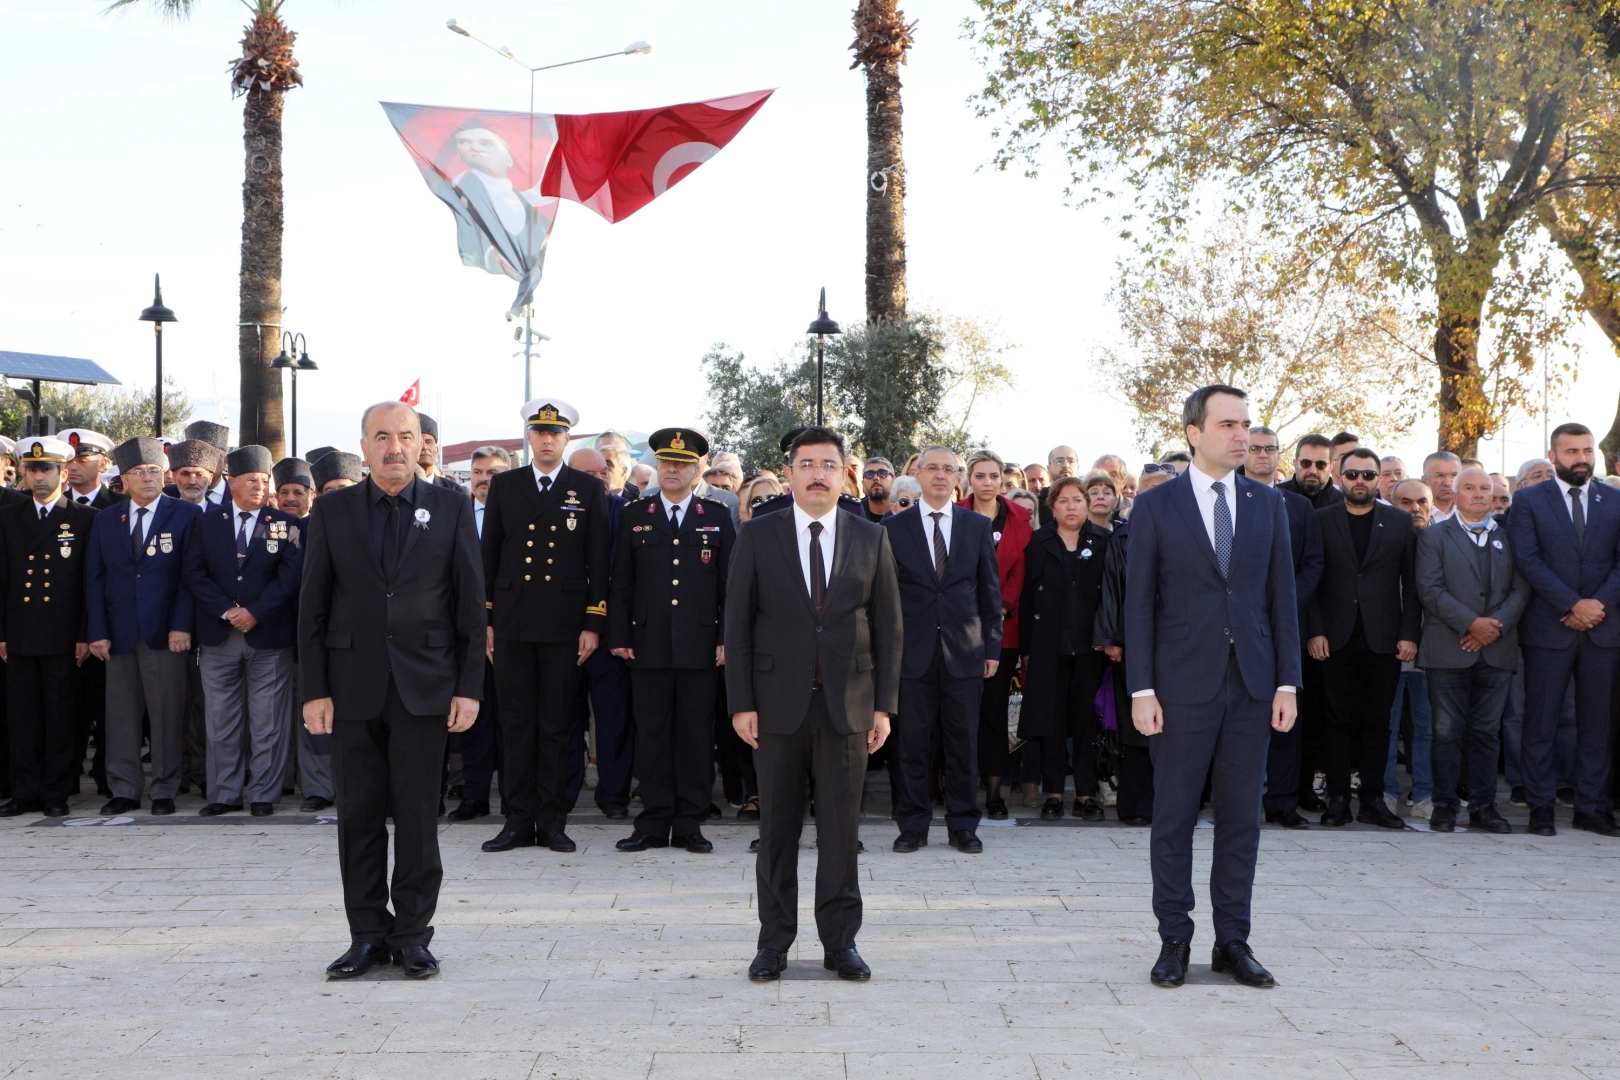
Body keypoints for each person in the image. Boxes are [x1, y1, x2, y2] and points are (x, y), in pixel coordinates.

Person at [300, 402, 484, 980]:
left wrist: (469, 688)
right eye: (382, 437)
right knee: (357, 818)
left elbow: (469, 608)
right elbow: (312, 606)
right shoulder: (331, 510)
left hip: (426, 688)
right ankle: (366, 935)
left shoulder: (451, 507)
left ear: (421, 442)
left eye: (405, 436)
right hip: (351, 688)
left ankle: (412, 936)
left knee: (417, 821)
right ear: (364, 446)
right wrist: (314, 691)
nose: (395, 447)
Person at [1125, 385, 1299, 990]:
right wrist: (1141, 689)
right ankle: (1174, 938)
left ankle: (1234, 941)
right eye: (1228, 424)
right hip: (1178, 688)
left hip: (1252, 686)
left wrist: (1286, 682)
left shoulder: (1266, 503)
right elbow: (1139, 605)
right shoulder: (1155, 507)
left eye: (1246, 424)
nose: (1241, 435)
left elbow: (1283, 600)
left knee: (1241, 821)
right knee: (1172, 818)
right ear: (1194, 432)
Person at [726, 426, 902, 982]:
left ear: (844, 472)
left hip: (848, 707)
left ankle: (840, 943)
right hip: (775, 708)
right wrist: (741, 703)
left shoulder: (870, 537)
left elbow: (890, 627)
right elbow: (738, 622)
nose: (817, 473)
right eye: (806, 464)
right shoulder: (758, 535)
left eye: (828, 463)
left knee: (840, 831)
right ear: (790, 473)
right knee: (776, 832)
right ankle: (773, 943)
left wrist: (884, 706)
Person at [480, 398, 610, 856]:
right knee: (515, 725)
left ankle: (553, 821)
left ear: (567, 438)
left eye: (555, 433)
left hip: (564, 625)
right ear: (529, 438)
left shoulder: (587, 490)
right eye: (539, 432)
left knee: (557, 727)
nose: (547, 439)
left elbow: (600, 563)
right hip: (513, 623)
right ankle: (517, 821)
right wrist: (489, 620)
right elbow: (489, 557)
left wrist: (593, 622)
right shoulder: (506, 486)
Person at [609, 427, 734, 853]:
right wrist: (620, 634)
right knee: (653, 735)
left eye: (681, 464)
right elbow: (620, 582)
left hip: (700, 647)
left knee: (696, 737)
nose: (672, 470)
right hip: (647, 645)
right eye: (665, 463)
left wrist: (725, 639)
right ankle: (652, 821)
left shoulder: (715, 517)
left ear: (698, 469)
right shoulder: (634, 515)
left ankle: (689, 823)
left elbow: (728, 588)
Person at [883, 445, 1001, 854]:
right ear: (917, 474)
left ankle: (964, 825)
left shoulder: (976, 527)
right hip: (910, 655)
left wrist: (992, 647)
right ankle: (912, 825)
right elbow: (885, 598)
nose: (938, 475)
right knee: (912, 744)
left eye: (946, 469)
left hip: (965, 653)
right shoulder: (893, 528)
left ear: (958, 478)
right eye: (930, 468)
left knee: (963, 744)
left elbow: (989, 593)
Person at [1505, 422, 1620, 837]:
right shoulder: (1530, 501)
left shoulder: (1615, 500)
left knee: (1598, 723)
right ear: (1553, 457)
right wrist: (1573, 604)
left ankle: (1591, 806)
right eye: (1572, 452)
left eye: (1587, 451)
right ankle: (1540, 805)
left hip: (1603, 630)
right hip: (1549, 628)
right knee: (1541, 721)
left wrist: (1596, 606)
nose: (1582, 459)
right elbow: (1528, 561)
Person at [183, 445, 304, 817]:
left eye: (264, 480)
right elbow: (194, 573)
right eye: (251, 479)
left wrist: (255, 612)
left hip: (267, 636)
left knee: (267, 722)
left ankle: (264, 795)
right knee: (221, 721)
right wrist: (227, 610)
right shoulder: (205, 521)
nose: (259, 486)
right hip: (219, 636)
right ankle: (224, 794)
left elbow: (290, 577)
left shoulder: (285, 523)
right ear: (231, 481)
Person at [86, 438, 203, 816]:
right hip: (118, 632)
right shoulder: (106, 519)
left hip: (166, 631)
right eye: (139, 472)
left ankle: (165, 788)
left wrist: (182, 625)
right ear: (124, 479)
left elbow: (191, 578)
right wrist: (96, 631)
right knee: (120, 715)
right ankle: (124, 788)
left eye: (154, 471)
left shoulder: (186, 515)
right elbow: (95, 579)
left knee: (167, 713)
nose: (148, 478)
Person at [1307, 447, 1419, 828]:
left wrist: (1409, 634)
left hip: (1384, 639)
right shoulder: (1319, 520)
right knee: (1335, 720)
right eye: (1352, 474)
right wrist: (1315, 629)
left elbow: (1413, 584)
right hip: (1333, 639)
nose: (1360, 481)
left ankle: (1372, 799)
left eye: (1368, 475)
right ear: (1339, 477)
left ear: (1378, 480)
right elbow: (1310, 581)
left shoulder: (1400, 523)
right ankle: (1338, 798)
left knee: (1378, 722)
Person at [1414, 467, 1529, 834]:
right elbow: (1429, 589)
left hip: (1497, 648)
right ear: (1456, 493)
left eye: (1485, 488)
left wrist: (1492, 628)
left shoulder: (1512, 538)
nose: (1478, 493)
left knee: (1486, 731)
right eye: (1469, 487)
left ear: (1494, 495)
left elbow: (1521, 589)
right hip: (1448, 647)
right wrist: (1471, 624)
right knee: (1445, 732)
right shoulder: (1433, 537)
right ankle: (1444, 805)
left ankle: (1484, 807)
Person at [0, 437, 96, 818]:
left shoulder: (84, 518)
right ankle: (24, 791)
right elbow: (3, 580)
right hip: (21, 631)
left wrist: (85, 634)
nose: (38, 477)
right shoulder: (8, 516)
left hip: (63, 632)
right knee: (22, 716)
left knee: (60, 715)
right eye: (32, 470)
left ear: (63, 472)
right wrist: (2, 633)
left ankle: (56, 792)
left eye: (46, 470)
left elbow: (90, 583)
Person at [1019, 473, 1114, 821]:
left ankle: (1087, 795)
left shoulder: (1105, 542)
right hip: (1048, 650)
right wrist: (1027, 648)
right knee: (1052, 724)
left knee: (1088, 724)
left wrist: (1112, 642)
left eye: (1077, 500)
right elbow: (1028, 600)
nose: (1071, 506)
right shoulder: (1038, 543)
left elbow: (1113, 598)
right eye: (1063, 501)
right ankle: (1055, 793)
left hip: (1093, 651)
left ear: (1088, 506)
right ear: (1052, 508)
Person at [558, 446, 633, 821]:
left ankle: (614, 795)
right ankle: (564, 795)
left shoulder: (624, 513)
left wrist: (612, 631)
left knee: (613, 719)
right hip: (563, 634)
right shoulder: (558, 510)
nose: (599, 479)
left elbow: (624, 578)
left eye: (603, 472)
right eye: (589, 474)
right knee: (564, 721)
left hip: (609, 636)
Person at [1256, 433, 1324, 830]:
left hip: (1285, 630)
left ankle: (1281, 802)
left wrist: (1282, 606)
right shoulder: (1219, 501)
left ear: (1279, 457)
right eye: (1254, 447)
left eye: (1269, 449)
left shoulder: (1298, 507)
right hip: (1234, 629)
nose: (1262, 455)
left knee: (1285, 719)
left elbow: (1313, 563)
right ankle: (1234, 800)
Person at [961, 449, 1033, 819]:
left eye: (994, 477)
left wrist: (1000, 606)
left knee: (993, 713)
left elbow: (1021, 570)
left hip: (1002, 631)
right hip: (956, 631)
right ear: (969, 479)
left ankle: (994, 794)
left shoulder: (1019, 518)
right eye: (980, 476)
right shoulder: (955, 514)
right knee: (958, 713)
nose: (988, 483)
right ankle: (954, 789)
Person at [448, 446, 512, 821]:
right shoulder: (456, 513)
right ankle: (474, 797)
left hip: (511, 632)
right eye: (478, 472)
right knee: (471, 717)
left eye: (494, 472)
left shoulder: (519, 514)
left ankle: (511, 798)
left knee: (509, 720)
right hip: (465, 634)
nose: (485, 479)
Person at [1384, 478, 1435, 820]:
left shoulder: (1442, 541)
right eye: (1406, 502)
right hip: (1389, 649)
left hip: (1433, 654)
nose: (1415, 508)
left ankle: (1424, 795)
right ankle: (1386, 791)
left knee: (1426, 727)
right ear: (1393, 504)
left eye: (1422, 502)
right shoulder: (1384, 540)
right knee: (1386, 726)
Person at [1278, 435, 1343, 509]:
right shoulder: (1275, 498)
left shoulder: (1344, 505)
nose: (1313, 471)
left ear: (1331, 467)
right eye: (1306, 463)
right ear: (1295, 464)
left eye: (1321, 464)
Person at [60, 430, 118, 508]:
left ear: (101, 464)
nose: (73, 467)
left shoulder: (121, 505)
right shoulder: (55, 504)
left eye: (82, 461)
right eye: (69, 461)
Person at [183, 422, 233, 507]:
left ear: (224, 462)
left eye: (211, 457)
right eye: (197, 458)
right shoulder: (170, 494)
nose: (204, 464)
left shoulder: (238, 495)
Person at [414, 415, 465, 492]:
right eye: (419, 443)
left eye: (429, 442)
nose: (424, 447)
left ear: (437, 450)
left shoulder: (453, 490)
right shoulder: (399, 489)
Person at [1422, 451, 1462, 524]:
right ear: (1424, 480)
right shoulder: (1417, 514)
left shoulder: (1471, 513)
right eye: (1439, 476)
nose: (1447, 483)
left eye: (1454, 475)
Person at [860, 456, 896, 522]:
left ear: (893, 480)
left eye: (882, 473)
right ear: (863, 483)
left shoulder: (903, 510)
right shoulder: (854, 512)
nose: (876, 478)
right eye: (869, 474)